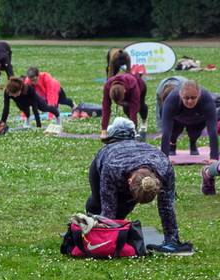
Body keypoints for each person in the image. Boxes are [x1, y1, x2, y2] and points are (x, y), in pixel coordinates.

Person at [86, 119, 191, 254]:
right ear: (129, 182)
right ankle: (91, 222)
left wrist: (172, 241)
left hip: (139, 158)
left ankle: (125, 131)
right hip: (110, 156)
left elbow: (167, 207)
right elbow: (108, 211)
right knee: (96, 203)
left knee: (121, 211)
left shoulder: (164, 169)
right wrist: (104, 237)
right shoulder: (112, 168)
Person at [158, 80, 218, 159]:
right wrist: (164, 159)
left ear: (199, 95)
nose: (190, 101)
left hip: (198, 120)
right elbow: (166, 131)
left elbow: (212, 130)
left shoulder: (206, 99)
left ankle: (193, 142)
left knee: (194, 134)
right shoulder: (172, 99)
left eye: (193, 98)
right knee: (173, 133)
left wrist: (214, 158)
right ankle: (173, 144)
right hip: (177, 119)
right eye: (186, 98)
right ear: (180, 94)